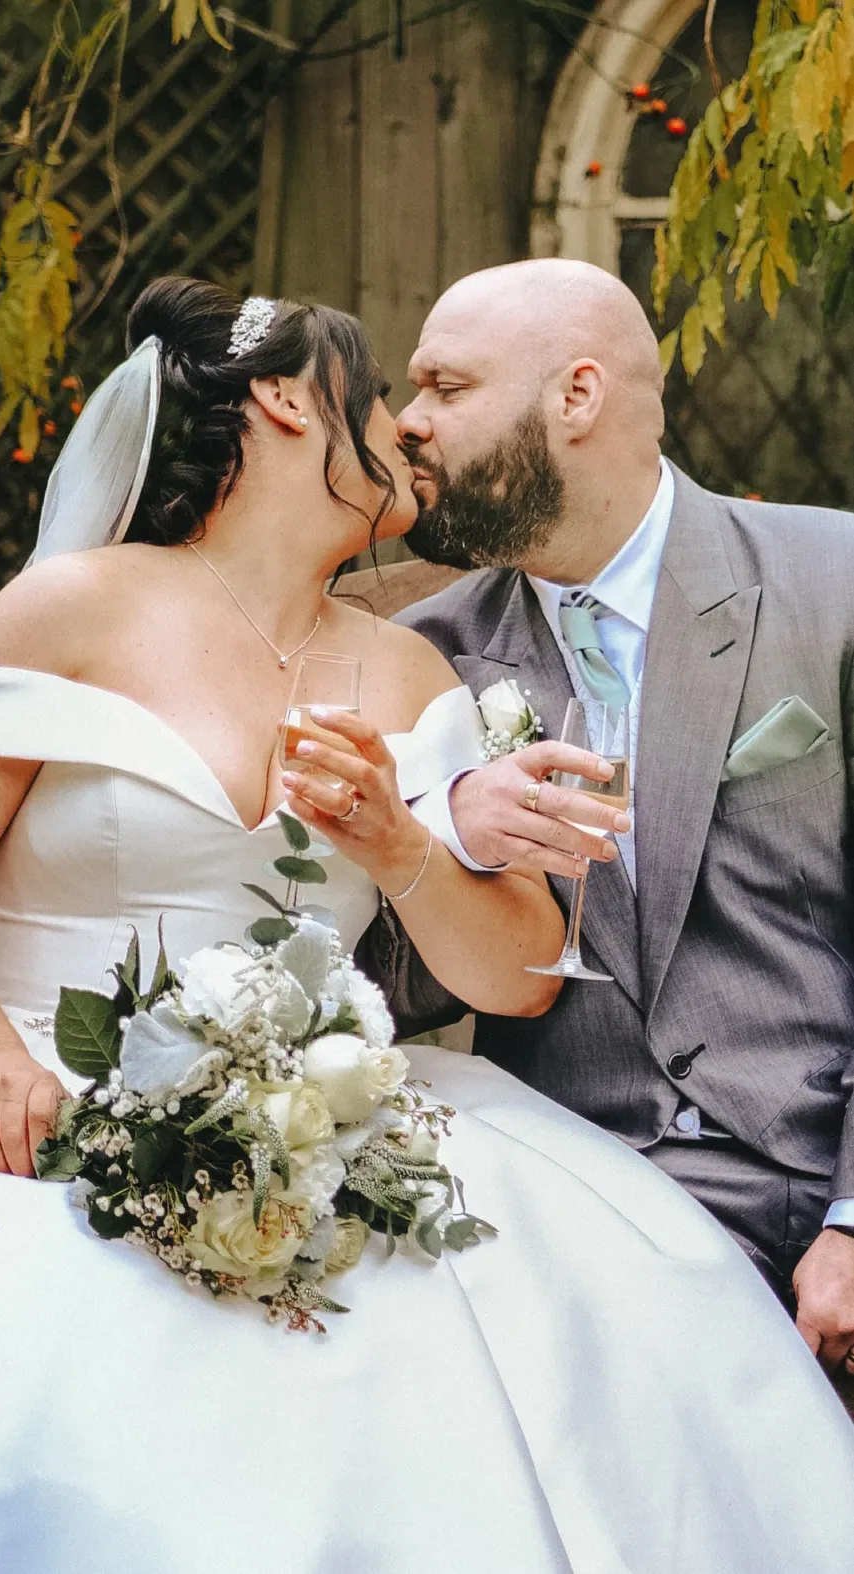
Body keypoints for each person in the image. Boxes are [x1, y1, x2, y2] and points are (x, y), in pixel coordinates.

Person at [0, 278, 852, 1574]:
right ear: (291, 401)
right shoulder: (67, 608)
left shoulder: (417, 666)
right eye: (389, 393)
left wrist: (403, 841)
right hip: (30, 1089)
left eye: (439, 392)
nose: (410, 426)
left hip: (337, 1116)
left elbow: (520, 976)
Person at [365, 256, 854, 1380]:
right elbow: (387, 993)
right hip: (556, 1202)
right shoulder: (422, 656)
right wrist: (442, 842)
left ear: (573, 397)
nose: (406, 426)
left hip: (809, 1171)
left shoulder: (834, 586)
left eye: (443, 386)